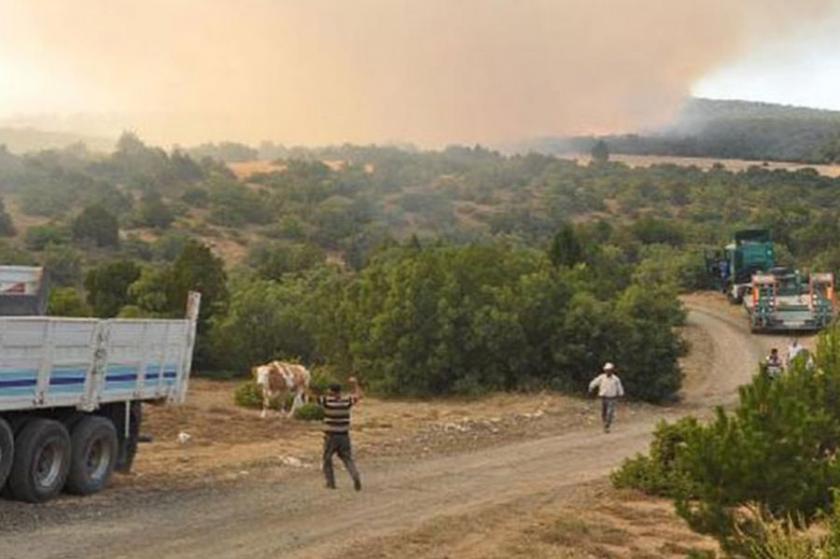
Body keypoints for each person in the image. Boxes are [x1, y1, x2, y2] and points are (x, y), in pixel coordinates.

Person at [317, 377, 363, 491]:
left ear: (331, 391)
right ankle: (355, 475)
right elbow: (359, 395)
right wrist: (355, 384)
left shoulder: (326, 401)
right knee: (347, 458)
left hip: (330, 436)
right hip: (344, 435)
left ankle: (330, 483)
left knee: (327, 459)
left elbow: (311, 395)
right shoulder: (346, 401)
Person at [588, 363, 625, 433]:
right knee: (603, 412)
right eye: (606, 370)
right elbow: (594, 382)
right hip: (603, 397)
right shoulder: (601, 377)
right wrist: (591, 388)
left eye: (609, 370)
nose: (608, 372)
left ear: (612, 371)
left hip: (612, 398)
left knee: (610, 412)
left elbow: (619, 387)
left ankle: (607, 425)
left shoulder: (616, 379)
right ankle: (605, 423)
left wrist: (621, 394)